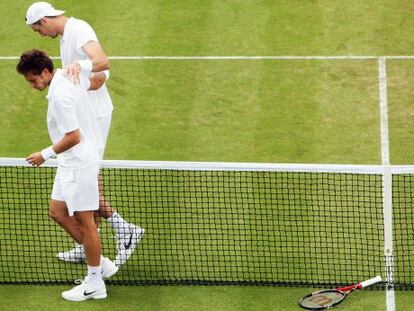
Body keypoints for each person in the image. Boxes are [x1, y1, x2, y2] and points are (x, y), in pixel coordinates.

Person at [25, 1, 144, 266]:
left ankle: (124, 231)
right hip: (84, 113)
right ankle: (91, 243)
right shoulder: (67, 36)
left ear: (44, 21)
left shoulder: (78, 29)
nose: (39, 35)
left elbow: (102, 64)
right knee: (84, 182)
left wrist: (80, 71)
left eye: (37, 29)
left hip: (94, 117)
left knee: (86, 180)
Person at [17, 49, 117, 301]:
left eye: (33, 79)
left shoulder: (60, 96)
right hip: (70, 162)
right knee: (58, 212)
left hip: (79, 163)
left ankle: (95, 282)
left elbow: (73, 137)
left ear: (46, 71)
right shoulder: (69, 76)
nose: (32, 85)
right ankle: (102, 264)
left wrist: (44, 154)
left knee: (86, 223)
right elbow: (102, 74)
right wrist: (86, 67)